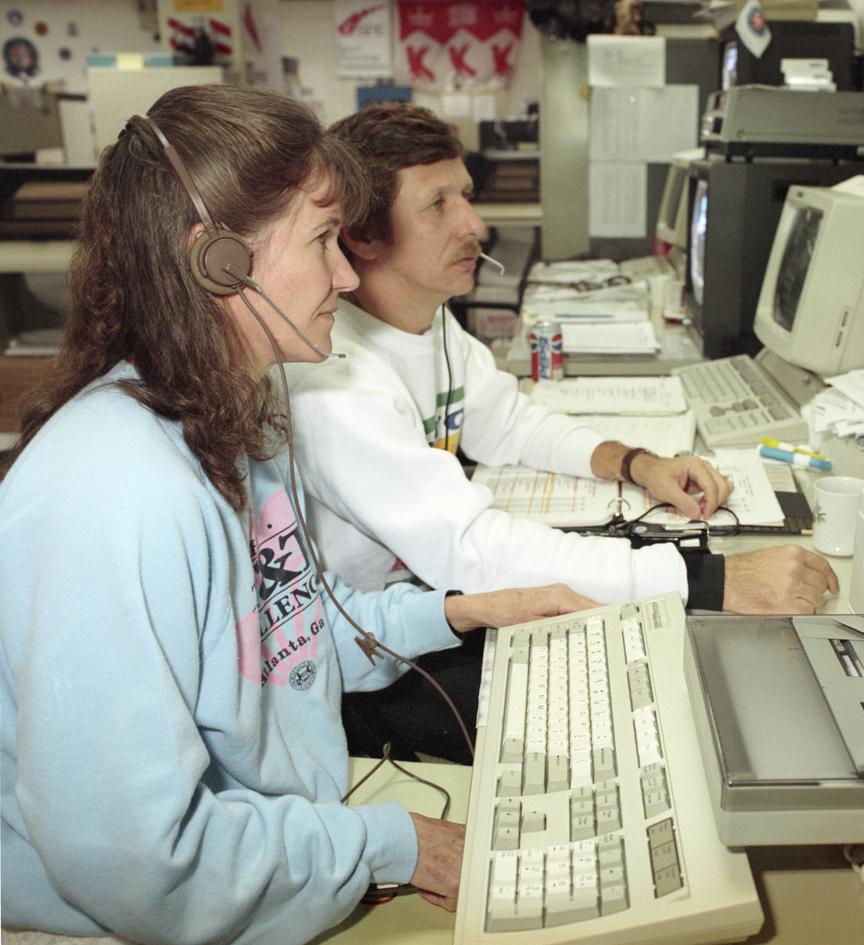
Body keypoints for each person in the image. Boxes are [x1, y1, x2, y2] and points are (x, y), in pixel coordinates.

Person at [0, 84, 596, 945]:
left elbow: (288, 638)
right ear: (220, 261)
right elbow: (137, 863)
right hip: (137, 915)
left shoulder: (235, 421)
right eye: (323, 240)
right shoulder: (116, 492)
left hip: (278, 845)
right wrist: (395, 844)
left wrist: (467, 610)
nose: (348, 274)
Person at [284, 102, 839, 760]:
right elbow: (477, 552)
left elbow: (509, 420)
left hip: (430, 606)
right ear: (365, 237)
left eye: (466, 195)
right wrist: (712, 580)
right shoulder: (334, 384)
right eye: (438, 205)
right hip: (373, 662)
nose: (474, 223)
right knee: (641, 709)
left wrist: (635, 463)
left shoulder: (423, 320)